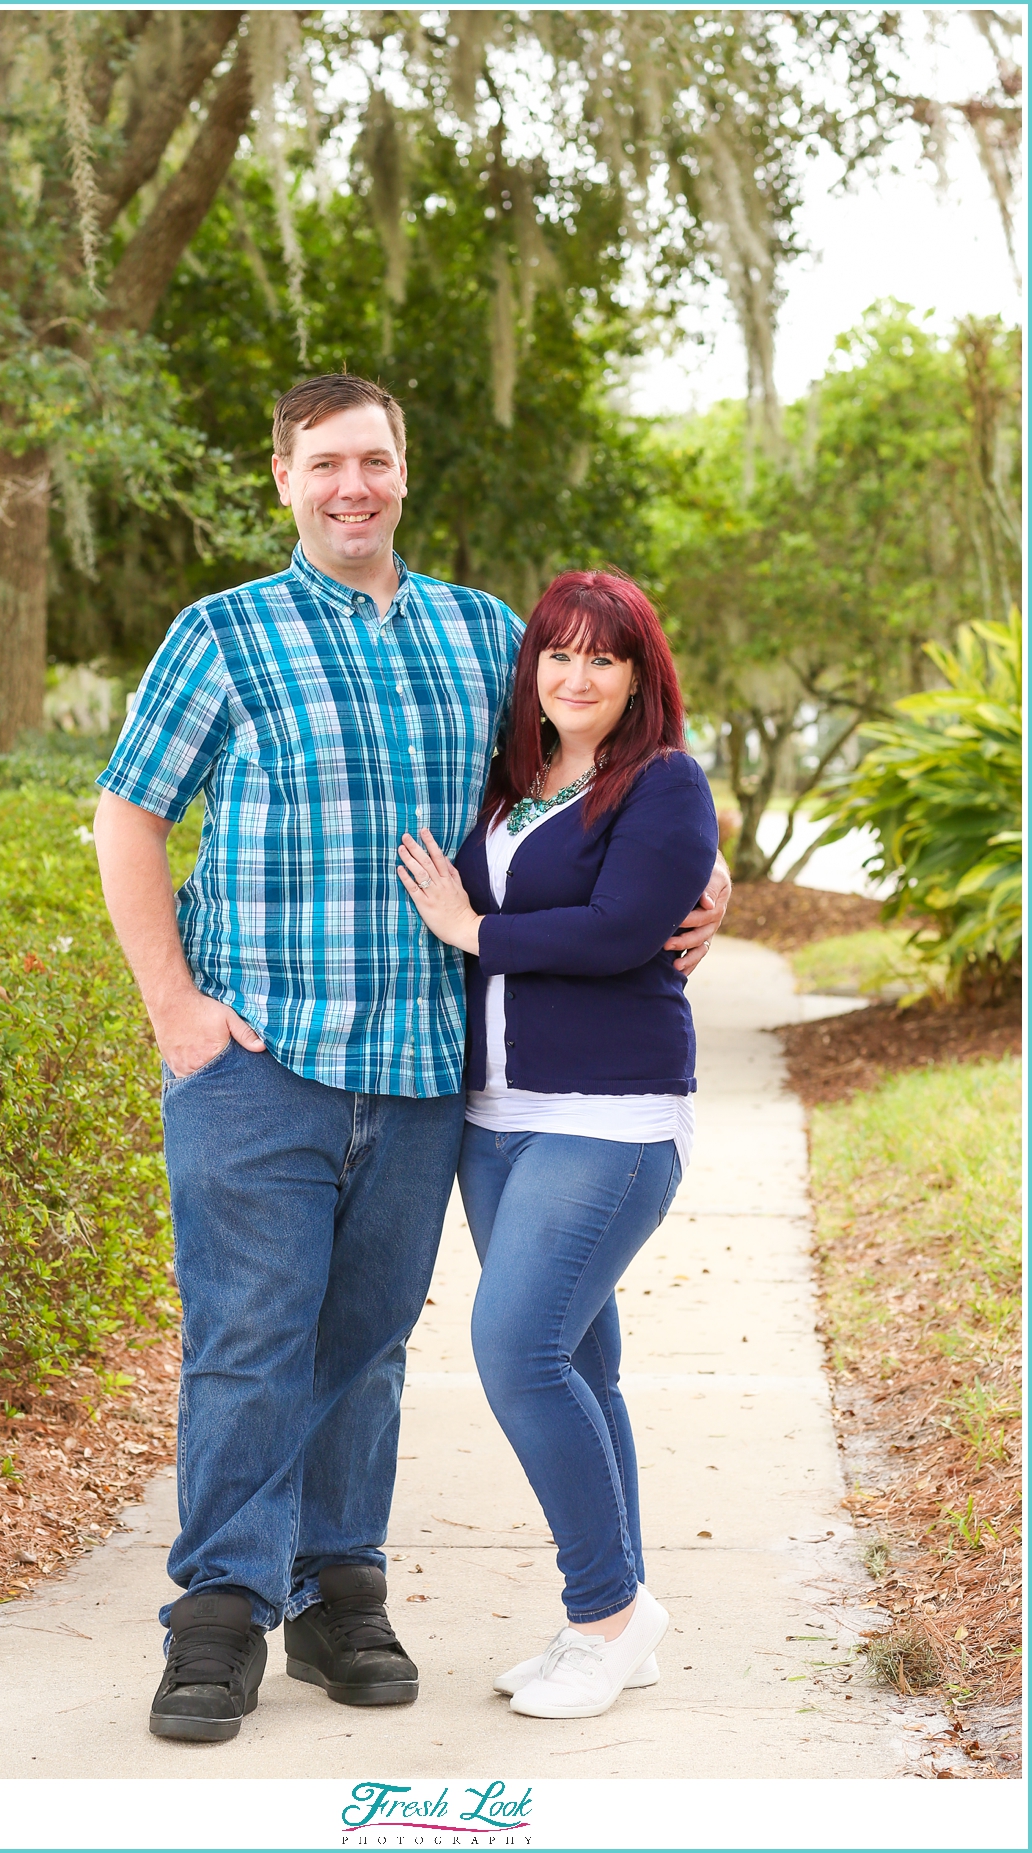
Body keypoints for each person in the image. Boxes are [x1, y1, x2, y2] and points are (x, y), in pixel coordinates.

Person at [92, 374, 731, 1744]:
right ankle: (218, 1611)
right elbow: (127, 813)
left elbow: (591, 774)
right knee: (252, 1336)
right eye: (326, 463)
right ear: (284, 477)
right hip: (262, 1057)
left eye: (375, 460)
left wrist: (704, 881)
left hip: (435, 1068)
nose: (354, 486)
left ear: (403, 469)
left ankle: (340, 1593)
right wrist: (176, 1010)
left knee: (369, 1344)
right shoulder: (222, 635)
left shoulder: (481, 635)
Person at [395, 568, 717, 1720]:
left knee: (517, 1350)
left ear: (640, 676)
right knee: (583, 1367)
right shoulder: (517, 778)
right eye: (559, 655)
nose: (576, 677)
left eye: (604, 658)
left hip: (610, 1115)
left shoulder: (666, 783)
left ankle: (606, 1615)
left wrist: (473, 929)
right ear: (533, 667)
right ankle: (624, 1610)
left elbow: (627, 928)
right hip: (497, 1116)